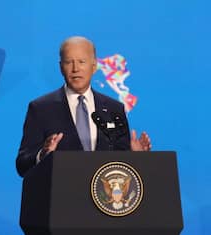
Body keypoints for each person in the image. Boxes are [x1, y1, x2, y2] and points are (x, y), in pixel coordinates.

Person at [16, 36, 151, 177]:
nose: (75, 69)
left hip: (103, 196)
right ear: (61, 67)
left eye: (82, 61)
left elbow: (121, 166)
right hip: (61, 195)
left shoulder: (114, 109)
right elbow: (22, 165)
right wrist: (42, 155)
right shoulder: (41, 108)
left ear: (94, 66)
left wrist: (137, 157)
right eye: (69, 62)